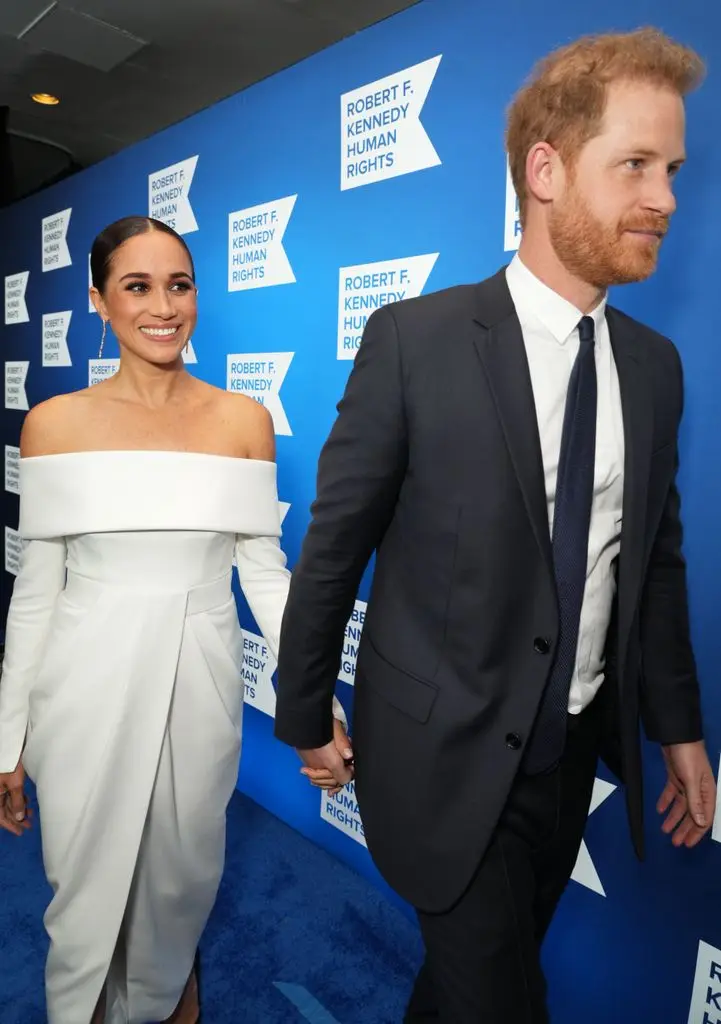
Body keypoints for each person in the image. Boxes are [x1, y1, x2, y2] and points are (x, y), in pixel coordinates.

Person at [274, 28, 716, 1023]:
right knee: (504, 1002)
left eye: (674, 170)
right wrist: (303, 709)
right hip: (437, 754)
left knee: (482, 973)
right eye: (636, 165)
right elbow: (335, 546)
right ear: (545, 169)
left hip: (566, 759)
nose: (666, 199)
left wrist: (677, 727)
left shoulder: (653, 369)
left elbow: (651, 560)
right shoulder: (414, 343)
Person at [0, 215, 350, 1024]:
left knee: (180, 875)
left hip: (200, 678)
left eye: (179, 284)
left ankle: (164, 996)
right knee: (83, 886)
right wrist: (8, 738)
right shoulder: (53, 424)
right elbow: (36, 594)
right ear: (98, 300)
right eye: (137, 285)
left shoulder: (241, 420)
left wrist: (313, 709)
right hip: (83, 683)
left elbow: (266, 577)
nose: (163, 306)